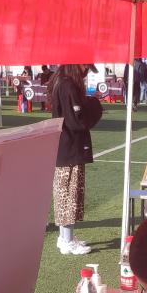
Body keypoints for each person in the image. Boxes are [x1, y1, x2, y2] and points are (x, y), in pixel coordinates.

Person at [50, 65, 98, 255]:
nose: (86, 71)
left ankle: (65, 237)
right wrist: (93, 105)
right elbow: (77, 121)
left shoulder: (61, 81)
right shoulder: (68, 85)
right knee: (68, 195)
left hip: (65, 147)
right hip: (70, 147)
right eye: (85, 66)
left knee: (65, 194)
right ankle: (67, 240)